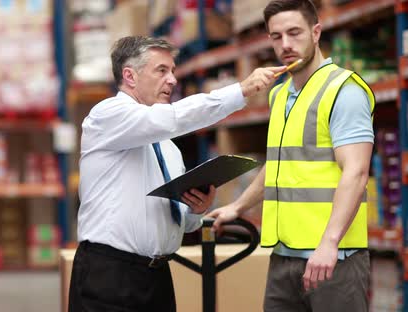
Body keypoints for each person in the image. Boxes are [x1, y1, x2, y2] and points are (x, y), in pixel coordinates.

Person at [68, 35, 285, 312]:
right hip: (110, 274)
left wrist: (196, 210)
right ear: (129, 76)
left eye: (173, 71)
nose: (172, 79)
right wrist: (239, 91)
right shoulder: (107, 115)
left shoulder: (169, 149)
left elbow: (182, 225)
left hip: (156, 276)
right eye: (161, 70)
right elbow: (172, 118)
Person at [207, 1, 375, 311]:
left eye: (294, 33)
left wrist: (329, 243)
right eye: (276, 36)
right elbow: (280, 166)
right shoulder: (280, 93)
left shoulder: (343, 91)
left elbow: (356, 172)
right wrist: (238, 206)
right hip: (284, 258)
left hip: (333, 259)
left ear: (315, 32)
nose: (285, 44)